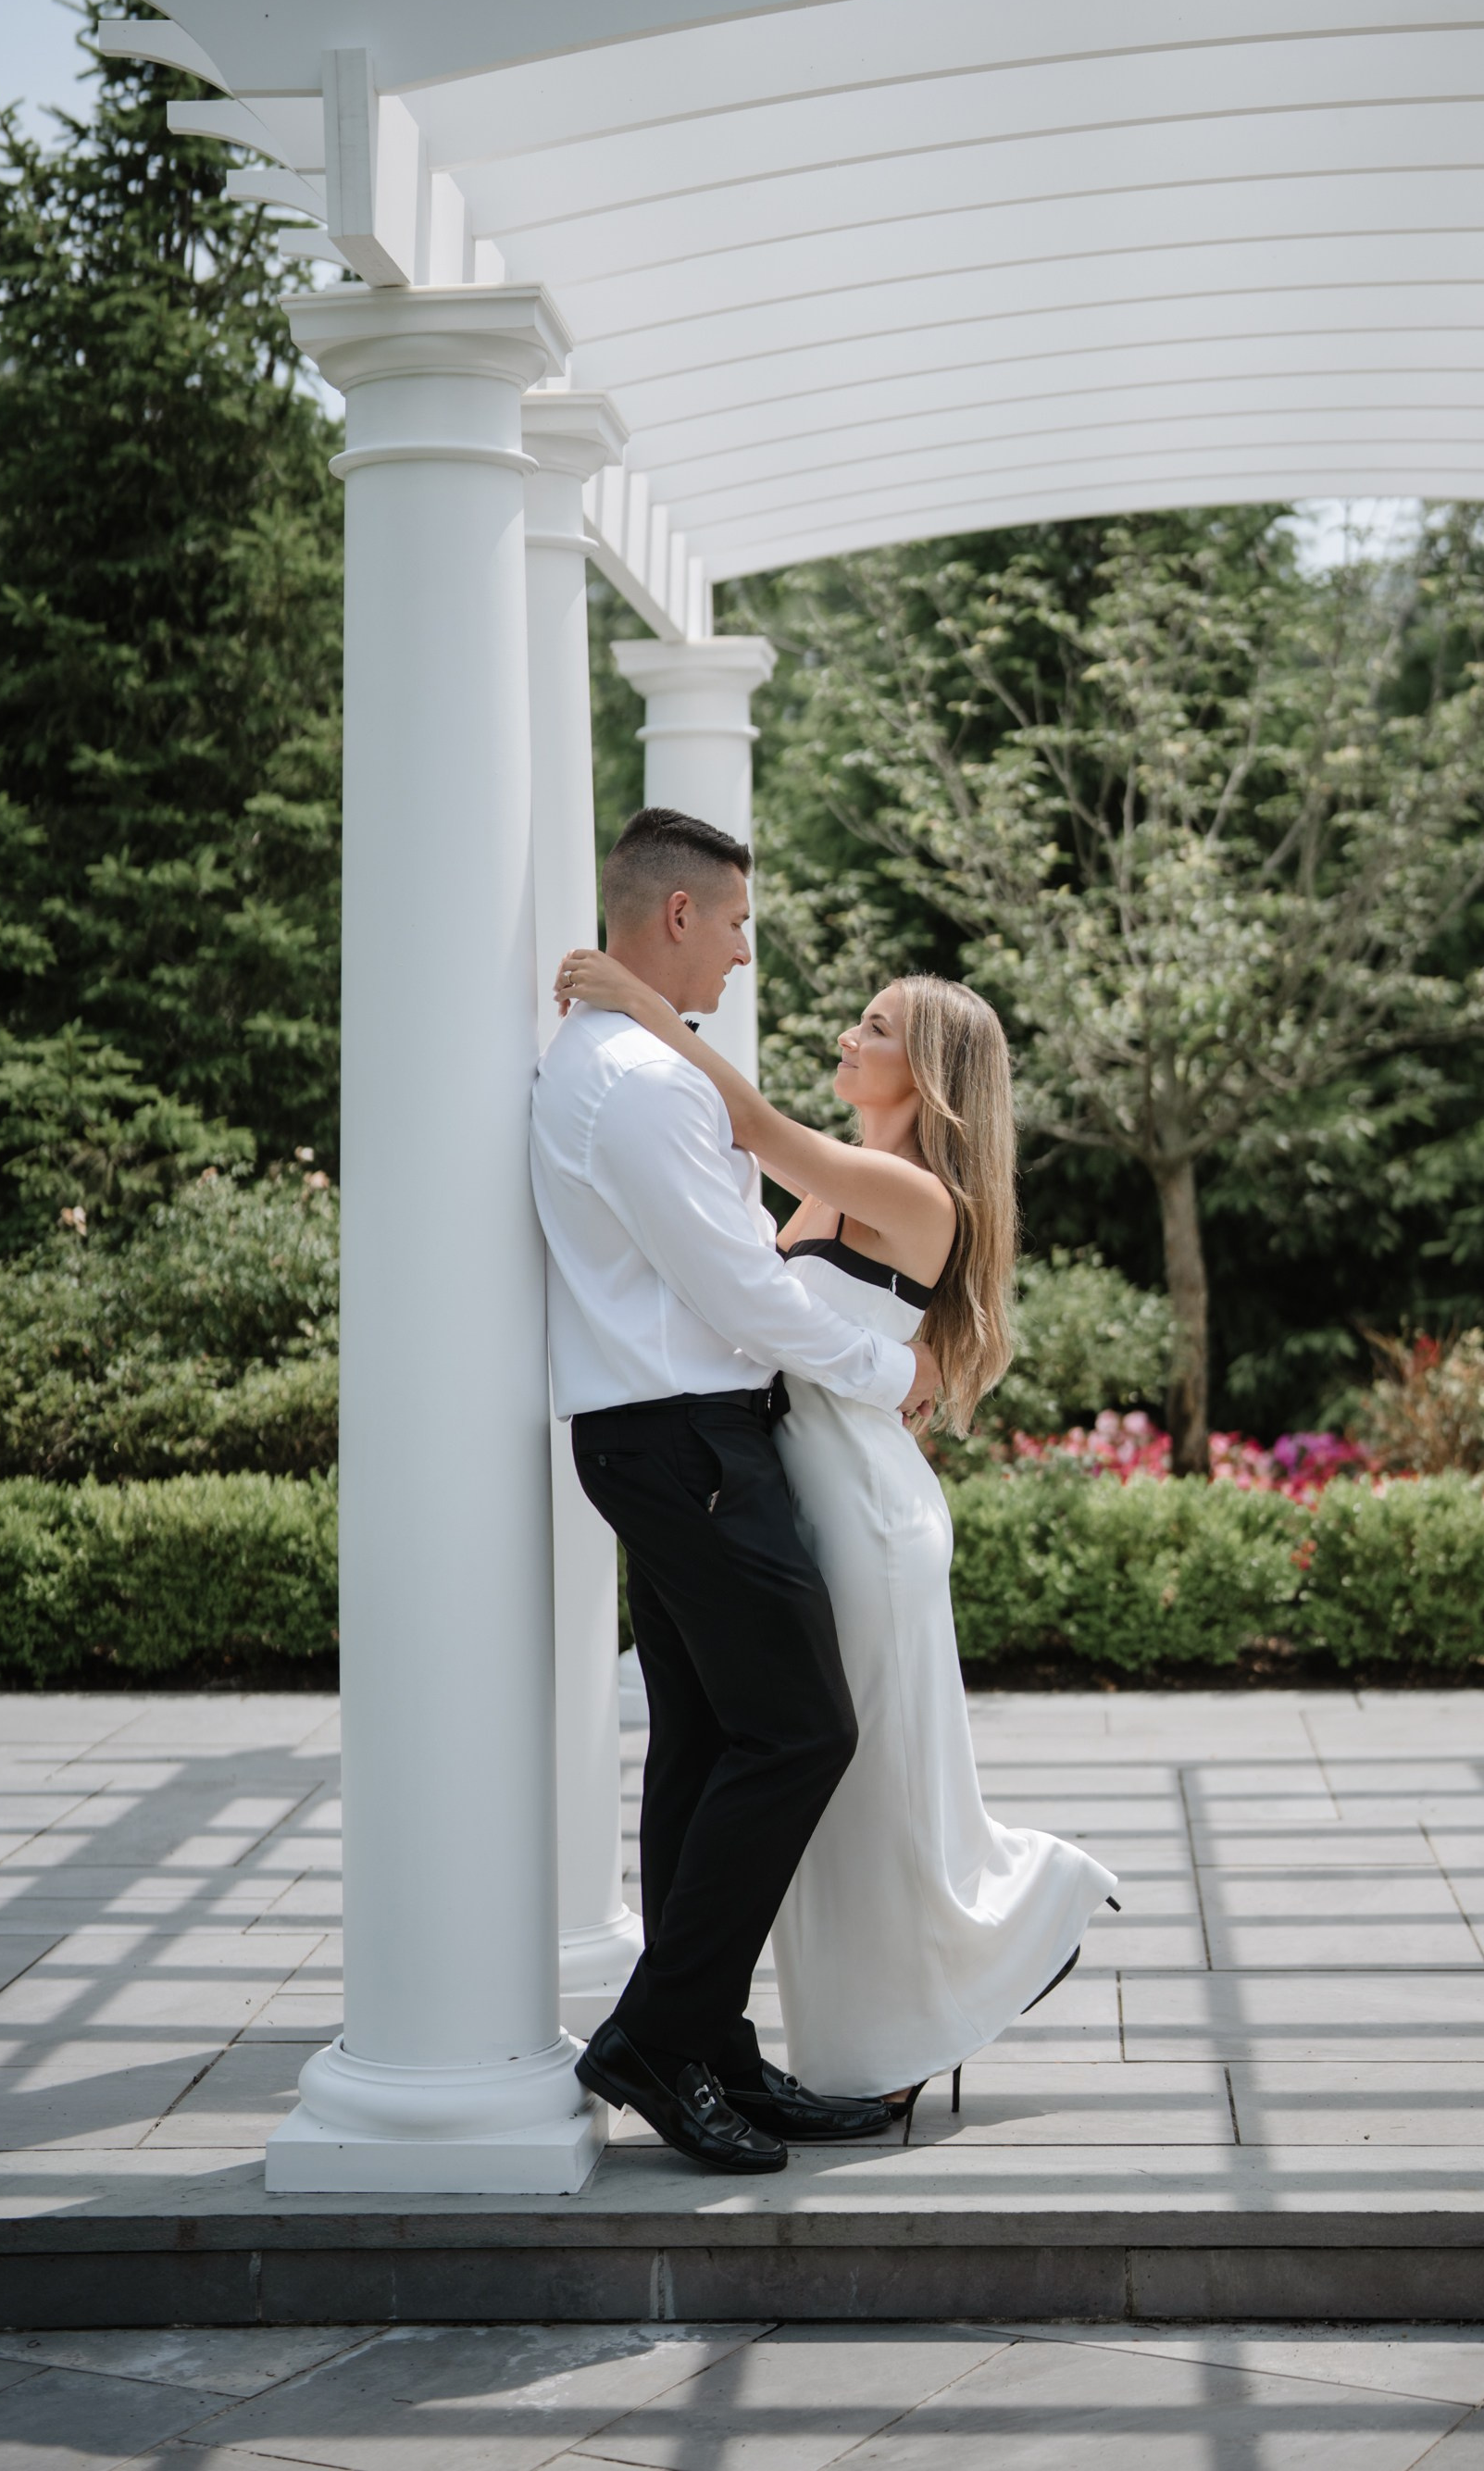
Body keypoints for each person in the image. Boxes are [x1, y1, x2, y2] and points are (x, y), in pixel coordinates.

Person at [554, 935, 1116, 2131]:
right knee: (817, 1772)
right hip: (807, 1479)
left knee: (858, 1776)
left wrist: (643, 1004)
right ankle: (810, 2036)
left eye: (874, 1027)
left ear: (929, 1073)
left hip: (862, 1508)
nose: (849, 1039)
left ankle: (927, 1996)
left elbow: (748, 1126)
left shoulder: (911, 1191)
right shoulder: (841, 1179)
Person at [530, 806, 943, 2177]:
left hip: (673, 1442)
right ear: (678, 918)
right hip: (690, 1445)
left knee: (707, 1745)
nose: (747, 955)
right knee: (802, 1735)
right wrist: (890, 1375)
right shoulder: (641, 1086)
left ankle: (708, 2049)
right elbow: (746, 1293)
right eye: (740, 924)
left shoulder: (623, 1061)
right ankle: (659, 2037)